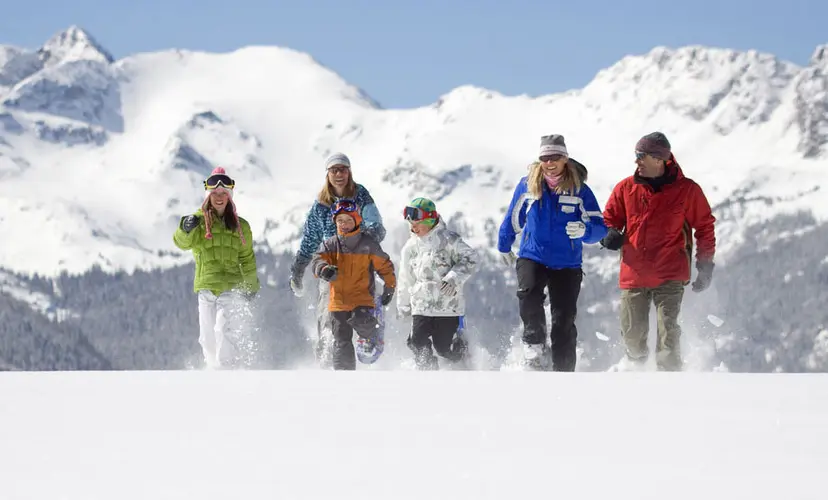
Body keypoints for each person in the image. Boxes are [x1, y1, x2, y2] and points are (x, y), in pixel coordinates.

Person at [600, 132, 716, 371]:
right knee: (632, 337)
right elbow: (609, 219)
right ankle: (635, 373)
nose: (637, 161)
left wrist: (705, 265)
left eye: (641, 156)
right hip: (634, 273)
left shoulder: (688, 190)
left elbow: (704, 227)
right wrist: (609, 234)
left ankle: (669, 383)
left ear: (659, 159)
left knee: (668, 334)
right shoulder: (626, 188)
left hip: (670, 273)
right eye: (636, 155)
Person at [497, 134, 607, 371]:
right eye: (545, 157)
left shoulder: (580, 190)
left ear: (565, 158)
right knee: (528, 295)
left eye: (555, 157)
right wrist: (504, 245)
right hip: (533, 255)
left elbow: (600, 227)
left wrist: (584, 230)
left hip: (566, 262)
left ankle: (563, 372)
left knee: (563, 321)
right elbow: (514, 217)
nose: (549, 162)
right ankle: (534, 346)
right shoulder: (528, 185)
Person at [288, 153, 386, 367]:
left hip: (359, 266)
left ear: (349, 172)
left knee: (360, 319)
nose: (339, 174)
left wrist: (361, 239)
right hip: (331, 271)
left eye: (343, 169)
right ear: (328, 175)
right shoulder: (321, 207)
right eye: (334, 170)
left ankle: (372, 327)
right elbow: (310, 240)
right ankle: (327, 365)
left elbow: (377, 227)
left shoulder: (361, 196)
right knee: (329, 323)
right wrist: (298, 268)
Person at [173, 167, 260, 369]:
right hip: (206, 287)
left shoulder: (241, 226)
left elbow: (247, 258)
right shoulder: (198, 221)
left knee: (224, 330)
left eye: (224, 193)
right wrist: (184, 229)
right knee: (208, 338)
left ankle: (227, 370)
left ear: (230, 196)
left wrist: (251, 286)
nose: (219, 197)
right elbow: (181, 243)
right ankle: (212, 370)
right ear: (208, 196)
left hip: (230, 286)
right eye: (215, 194)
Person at [309, 198, 396, 370]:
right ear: (335, 222)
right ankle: (344, 377)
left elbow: (385, 265)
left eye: (348, 220)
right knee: (341, 340)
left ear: (357, 219)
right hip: (338, 303)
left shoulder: (368, 244)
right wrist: (324, 269)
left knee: (362, 322)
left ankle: (372, 333)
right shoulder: (331, 244)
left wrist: (389, 286)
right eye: (340, 220)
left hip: (362, 298)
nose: (344, 224)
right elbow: (317, 260)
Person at [396, 197, 478, 370]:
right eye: (410, 222)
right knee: (416, 342)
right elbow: (405, 278)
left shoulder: (449, 240)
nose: (413, 227)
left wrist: (454, 277)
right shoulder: (410, 247)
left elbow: (471, 259)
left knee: (444, 348)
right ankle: (428, 372)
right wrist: (403, 304)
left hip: (447, 308)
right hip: (420, 306)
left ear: (430, 219)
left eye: (417, 222)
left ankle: (461, 352)